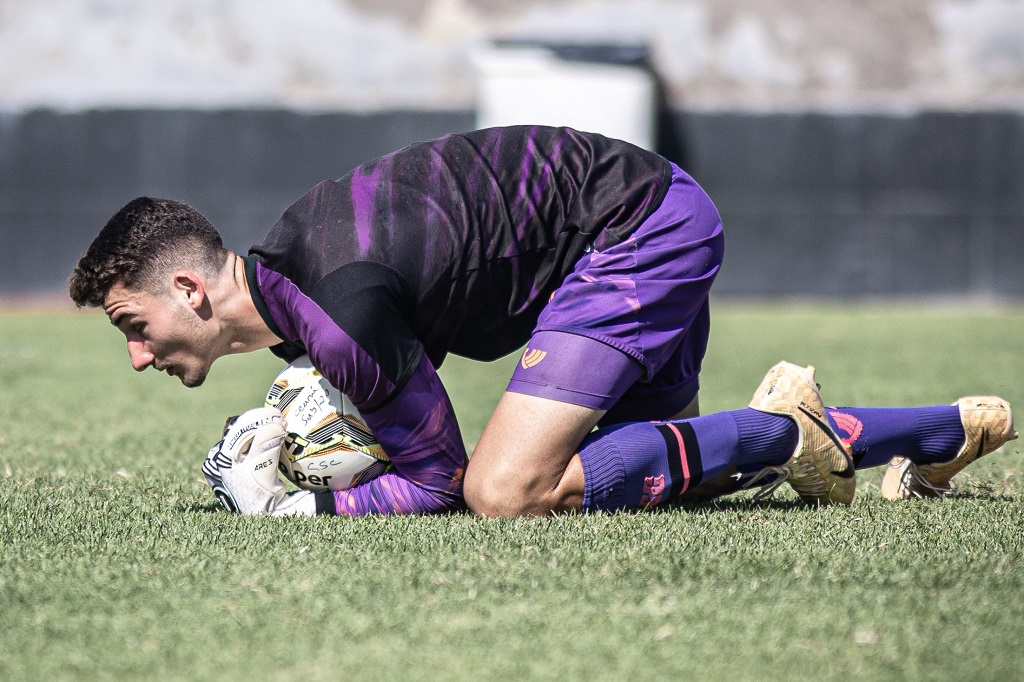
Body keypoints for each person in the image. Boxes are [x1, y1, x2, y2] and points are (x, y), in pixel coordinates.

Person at [68, 126, 1017, 517]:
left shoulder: (333, 303)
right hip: (621, 222)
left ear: (191, 289)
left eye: (132, 324)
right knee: (655, 474)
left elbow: (440, 480)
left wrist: (306, 505)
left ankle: (783, 427)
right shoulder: (296, 275)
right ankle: (936, 431)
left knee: (509, 492)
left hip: (635, 231)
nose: (136, 356)